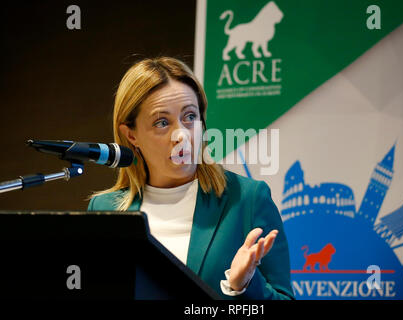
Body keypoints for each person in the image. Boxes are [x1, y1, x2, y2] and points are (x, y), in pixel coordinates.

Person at [87, 57, 294, 300]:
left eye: (190, 117)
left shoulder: (247, 199)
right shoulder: (103, 210)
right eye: (162, 122)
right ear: (131, 135)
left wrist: (244, 287)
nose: (181, 135)